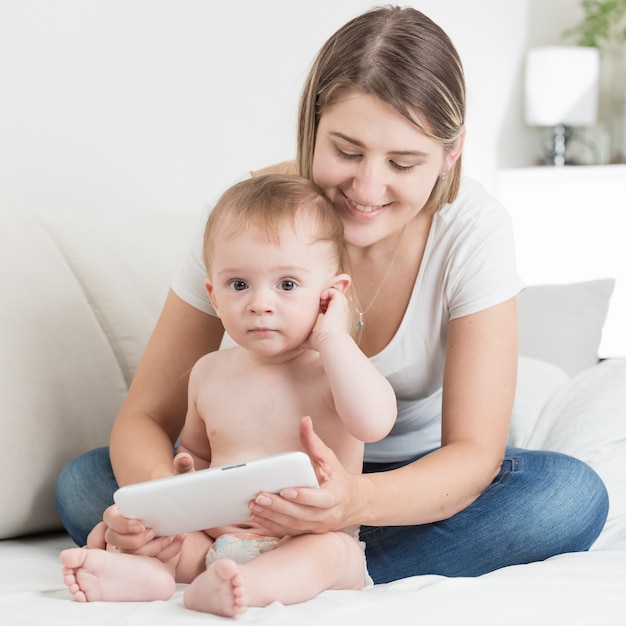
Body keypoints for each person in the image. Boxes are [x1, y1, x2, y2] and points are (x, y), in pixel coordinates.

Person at [56, 5, 609, 585]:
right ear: (311, 126)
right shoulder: (243, 218)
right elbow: (143, 417)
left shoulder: (473, 233)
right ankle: (275, 565)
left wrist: (352, 505)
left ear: (452, 152)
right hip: (255, 487)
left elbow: (472, 456)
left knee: (567, 495)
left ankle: (284, 565)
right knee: (85, 483)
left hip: (408, 485)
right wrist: (172, 508)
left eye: (403, 162)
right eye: (346, 151)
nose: (367, 188)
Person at [60, 174, 397, 616]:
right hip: (215, 541)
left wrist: (333, 336)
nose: (260, 303)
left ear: (330, 294)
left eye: (287, 285)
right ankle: (146, 576)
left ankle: (247, 586)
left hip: (310, 538)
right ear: (213, 297)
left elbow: (375, 422)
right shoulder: (208, 373)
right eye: (239, 285)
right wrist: (184, 477)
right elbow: (197, 454)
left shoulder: (334, 369)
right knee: (144, 527)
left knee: (332, 556)